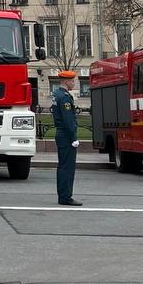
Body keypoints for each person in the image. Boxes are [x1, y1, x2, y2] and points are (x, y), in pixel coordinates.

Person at [52, 71, 82, 207]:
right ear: (66, 81)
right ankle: (65, 196)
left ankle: (63, 195)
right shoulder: (64, 97)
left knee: (63, 166)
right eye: (72, 81)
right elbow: (68, 119)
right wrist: (74, 137)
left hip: (61, 134)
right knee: (67, 167)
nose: (73, 83)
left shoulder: (58, 94)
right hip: (66, 135)